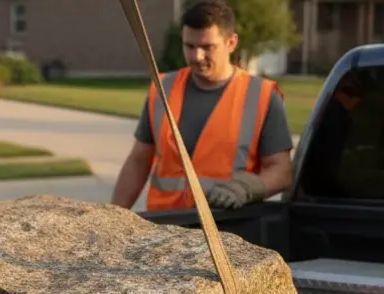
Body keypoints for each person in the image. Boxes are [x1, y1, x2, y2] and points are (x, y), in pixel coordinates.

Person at [110, 0, 295, 212]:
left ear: (231, 43)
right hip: (165, 225)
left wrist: (245, 188)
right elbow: (139, 160)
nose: (197, 57)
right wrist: (113, 216)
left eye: (207, 47)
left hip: (227, 227)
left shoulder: (261, 95)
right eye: (189, 46)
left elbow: (281, 171)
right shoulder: (162, 89)